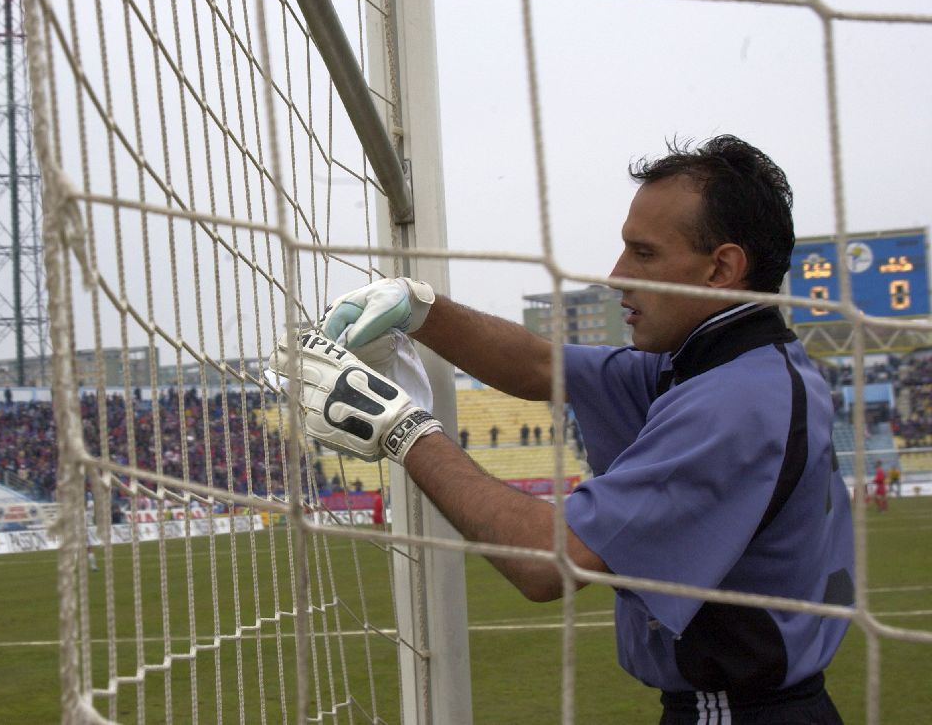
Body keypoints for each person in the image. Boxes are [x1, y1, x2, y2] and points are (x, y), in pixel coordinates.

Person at [275, 136, 854, 723]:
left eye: (644, 254)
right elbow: (538, 365)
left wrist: (402, 428)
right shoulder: (721, 366)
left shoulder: (734, 402)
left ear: (722, 268)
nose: (616, 275)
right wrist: (417, 306)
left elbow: (548, 561)